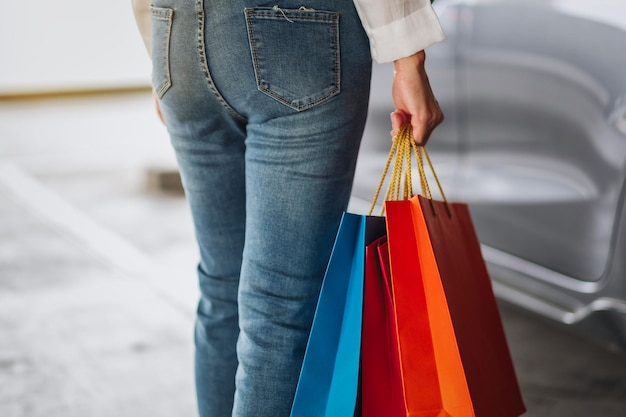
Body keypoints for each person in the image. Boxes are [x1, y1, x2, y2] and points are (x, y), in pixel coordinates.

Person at [131, 1, 445, 416]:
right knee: (278, 311)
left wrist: (161, 52)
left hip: (176, 31)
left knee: (222, 289)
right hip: (298, 31)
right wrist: (408, 57)